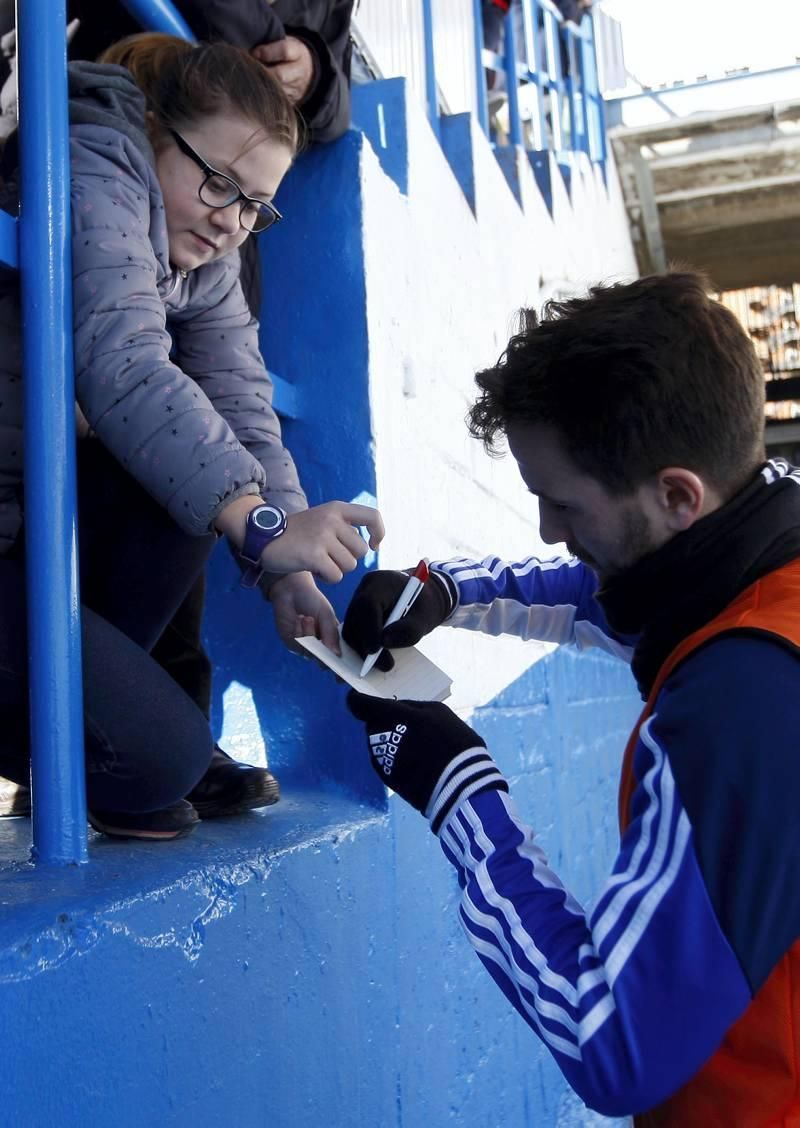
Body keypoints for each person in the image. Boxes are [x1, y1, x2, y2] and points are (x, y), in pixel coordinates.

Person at [342, 273, 800, 1124]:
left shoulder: (742, 702)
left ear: (676, 495)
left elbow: (613, 1040)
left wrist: (459, 791)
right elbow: (618, 592)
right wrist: (444, 589)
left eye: (561, 503)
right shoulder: (762, 567)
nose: (551, 530)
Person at [0, 33, 383, 840]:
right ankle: (82, 749)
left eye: (255, 205)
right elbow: (122, 360)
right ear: (150, 129)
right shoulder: (96, 162)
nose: (231, 222)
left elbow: (242, 405)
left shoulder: (203, 258)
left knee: (188, 481)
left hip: (15, 533)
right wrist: (264, 527)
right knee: (161, 764)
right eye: (218, 183)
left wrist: (285, 574)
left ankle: (79, 743)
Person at [67, 0, 355, 146]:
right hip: (103, 126)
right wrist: (266, 55)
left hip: (218, 189)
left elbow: (339, 111)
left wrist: (313, 76)